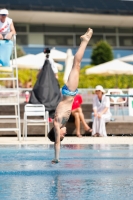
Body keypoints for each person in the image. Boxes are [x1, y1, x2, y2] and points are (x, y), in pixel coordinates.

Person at [48, 28, 93, 163]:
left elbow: (56, 143)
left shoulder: (57, 124)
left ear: (57, 133)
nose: (64, 134)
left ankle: (84, 41)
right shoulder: (60, 123)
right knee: (76, 65)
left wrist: (56, 157)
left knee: (76, 63)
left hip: (69, 91)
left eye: (62, 136)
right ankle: (84, 41)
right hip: (69, 92)